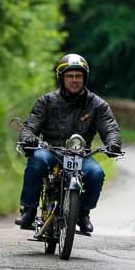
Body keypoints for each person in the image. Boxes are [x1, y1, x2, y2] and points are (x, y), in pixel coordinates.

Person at [15, 53, 122, 234]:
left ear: (84, 78)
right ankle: (29, 210)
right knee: (37, 161)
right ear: (61, 78)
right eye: (70, 76)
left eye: (78, 76)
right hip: (51, 149)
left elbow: (111, 128)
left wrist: (113, 143)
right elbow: (29, 126)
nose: (74, 80)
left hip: (81, 154)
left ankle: (82, 213)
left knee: (96, 173)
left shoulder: (98, 105)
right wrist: (28, 138)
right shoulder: (46, 101)